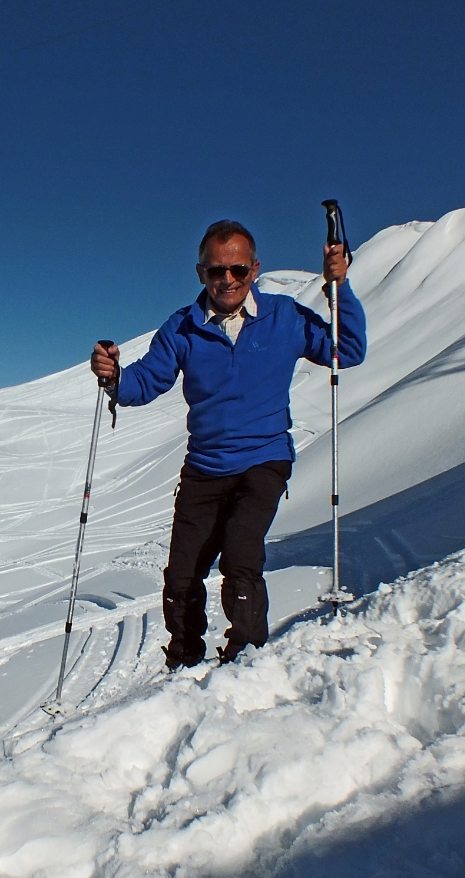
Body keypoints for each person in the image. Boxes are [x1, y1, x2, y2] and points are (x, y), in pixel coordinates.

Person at [90, 219, 366, 668]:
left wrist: (341, 287)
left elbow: (346, 350)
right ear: (201, 273)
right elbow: (143, 383)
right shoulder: (182, 328)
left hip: (264, 459)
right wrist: (115, 375)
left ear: (254, 269)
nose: (228, 280)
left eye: (237, 270)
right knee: (182, 575)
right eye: (217, 271)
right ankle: (184, 660)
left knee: (240, 559)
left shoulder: (284, 316)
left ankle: (247, 659)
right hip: (204, 466)